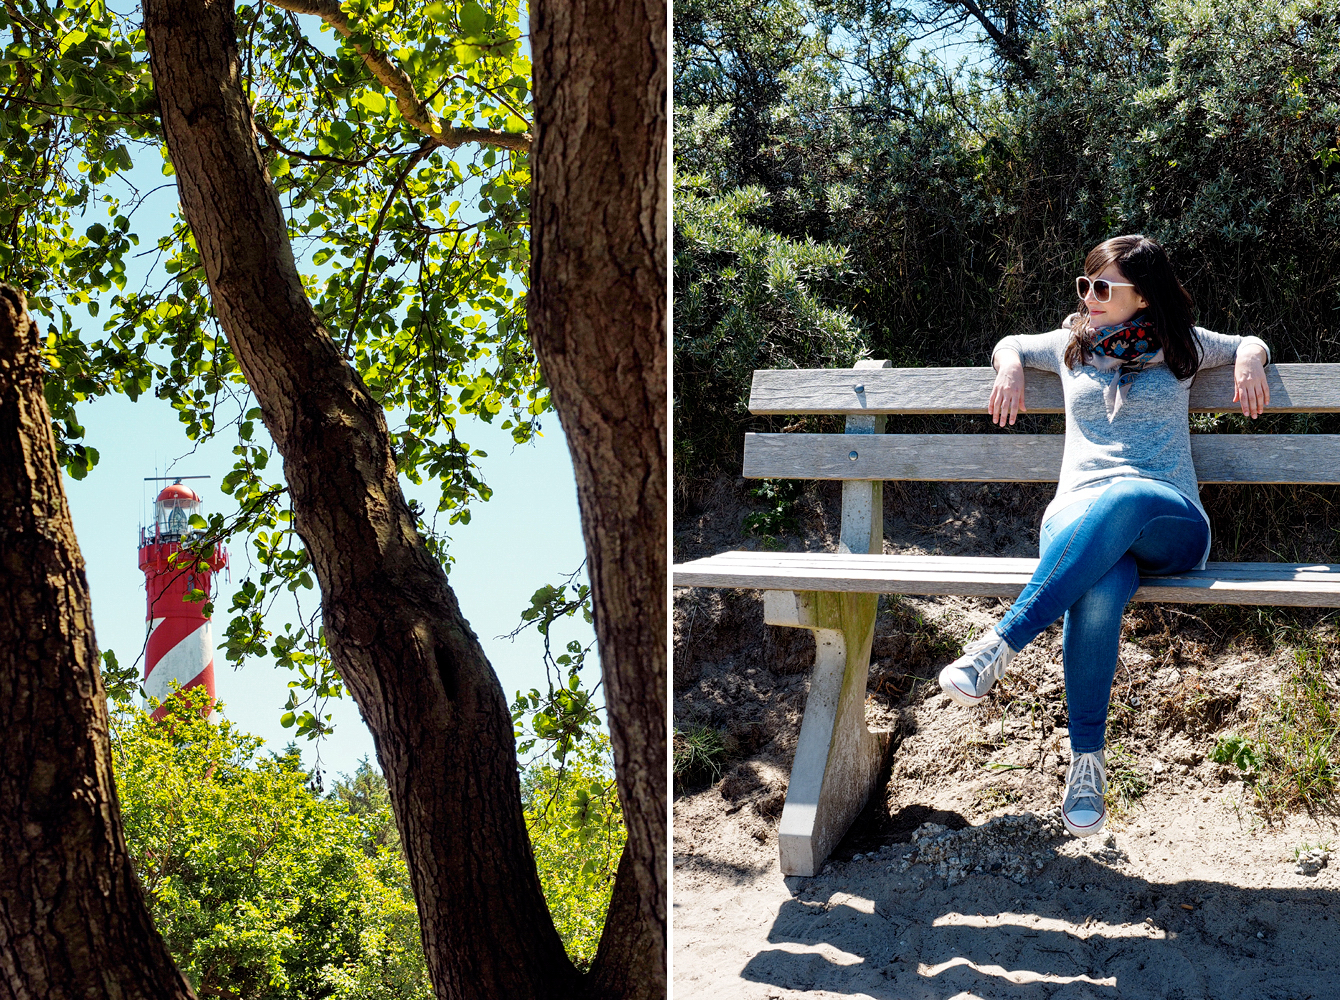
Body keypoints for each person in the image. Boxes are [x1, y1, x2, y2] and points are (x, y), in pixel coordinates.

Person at [936, 234, 1271, 838]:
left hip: (1168, 521)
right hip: (1078, 519)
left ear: (1142, 297)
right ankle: (1086, 760)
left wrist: (1251, 357)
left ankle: (1000, 645)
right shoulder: (1072, 344)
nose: (1088, 297)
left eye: (1102, 288)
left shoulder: (1182, 344)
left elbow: (1249, 342)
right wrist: (1008, 363)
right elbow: (1011, 341)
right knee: (1100, 582)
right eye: (1083, 285)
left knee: (1124, 495)